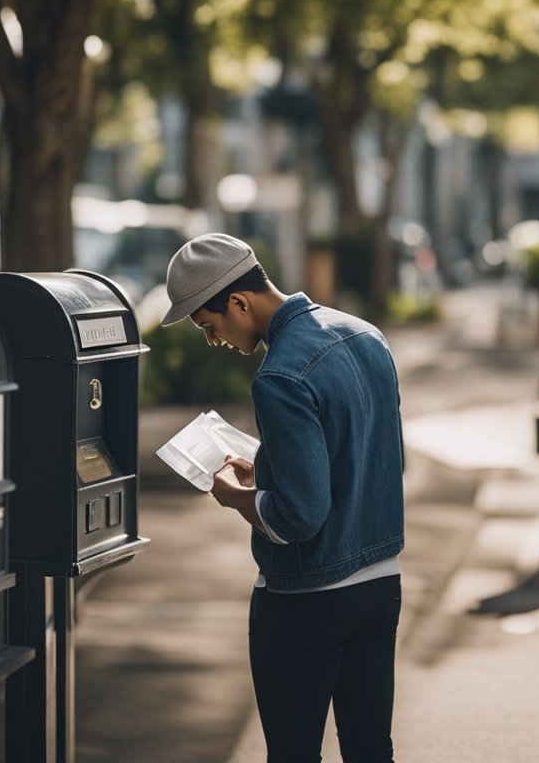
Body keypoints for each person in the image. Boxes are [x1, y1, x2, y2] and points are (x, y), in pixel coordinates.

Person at [161, 233, 405, 763]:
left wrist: (234, 496)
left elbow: (299, 516)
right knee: (371, 750)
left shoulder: (278, 376)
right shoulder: (365, 336)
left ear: (238, 302)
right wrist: (268, 467)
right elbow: (368, 458)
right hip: (380, 585)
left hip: (306, 599)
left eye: (209, 325)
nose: (212, 340)